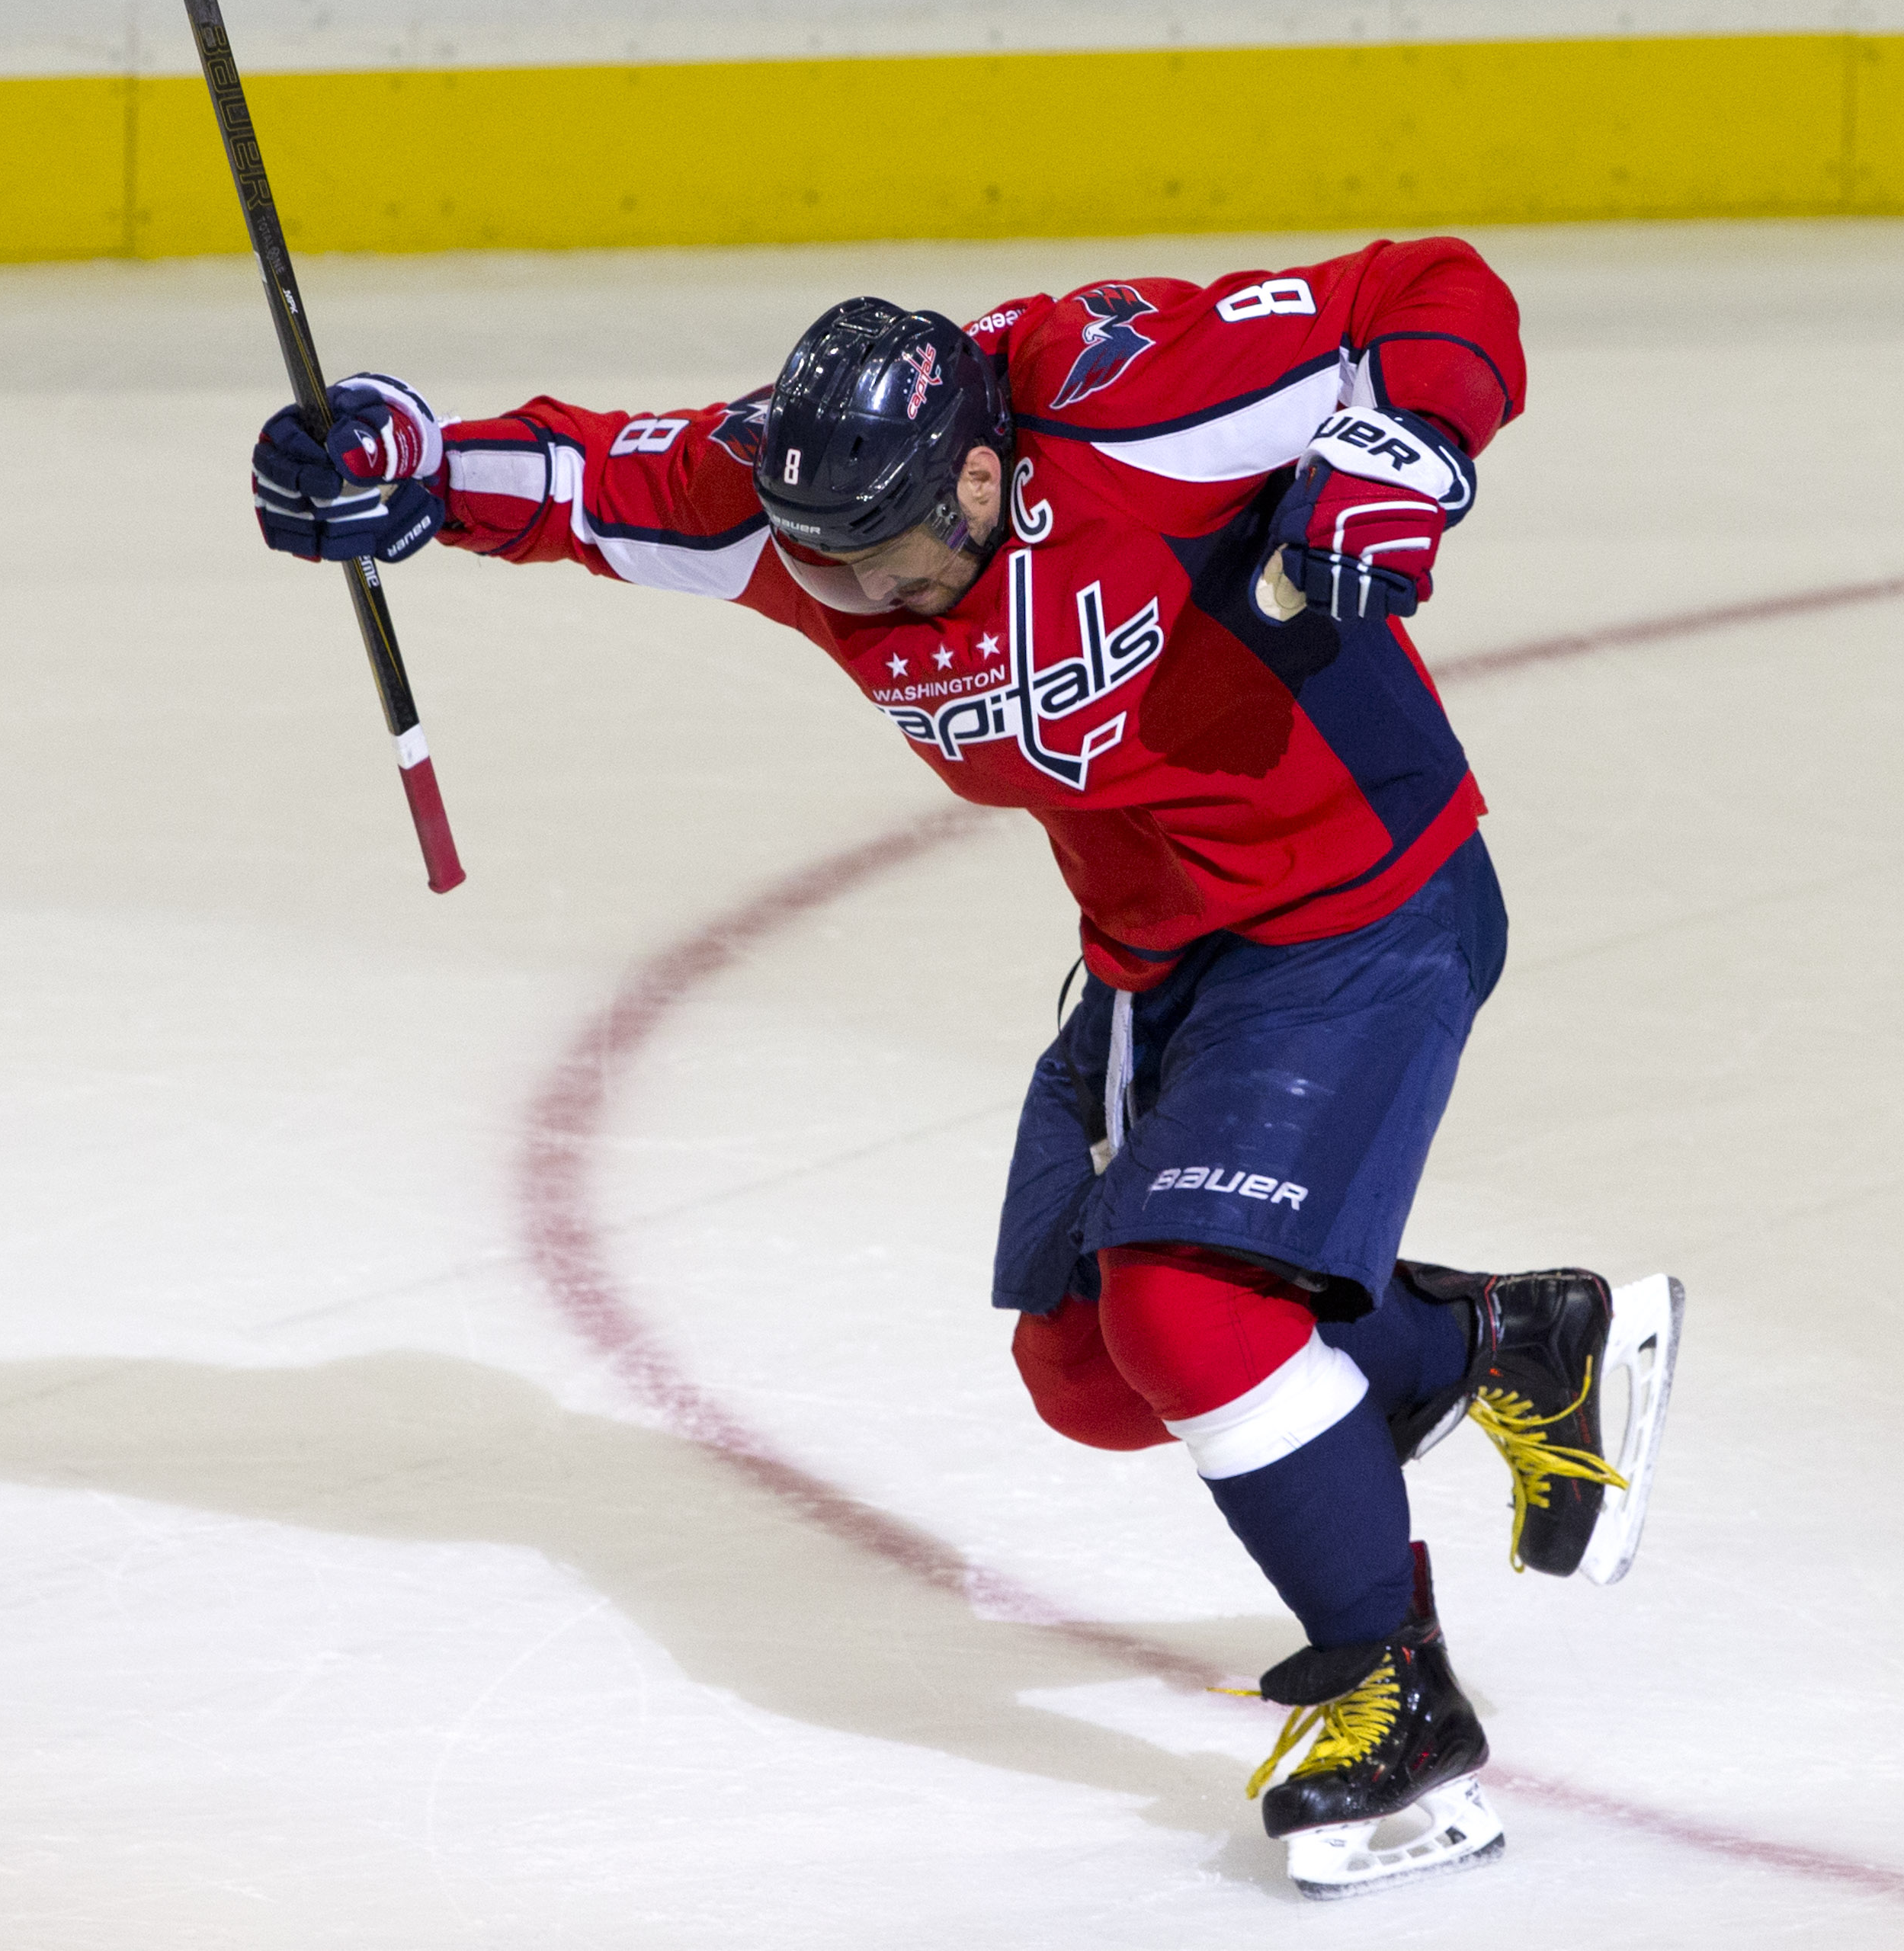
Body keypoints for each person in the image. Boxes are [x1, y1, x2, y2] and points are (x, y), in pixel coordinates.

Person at [246, 242, 1682, 1900]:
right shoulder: (806, 513)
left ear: (987, 470)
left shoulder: (1124, 400)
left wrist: (1414, 442)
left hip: (1358, 905)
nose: (868, 608)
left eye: (896, 565)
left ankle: (1394, 1685)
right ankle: (1513, 1341)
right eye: (826, 577)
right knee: (1085, 1373)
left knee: (1185, 1313)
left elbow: (1425, 288)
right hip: (1159, 953)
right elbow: (585, 478)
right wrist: (406, 470)